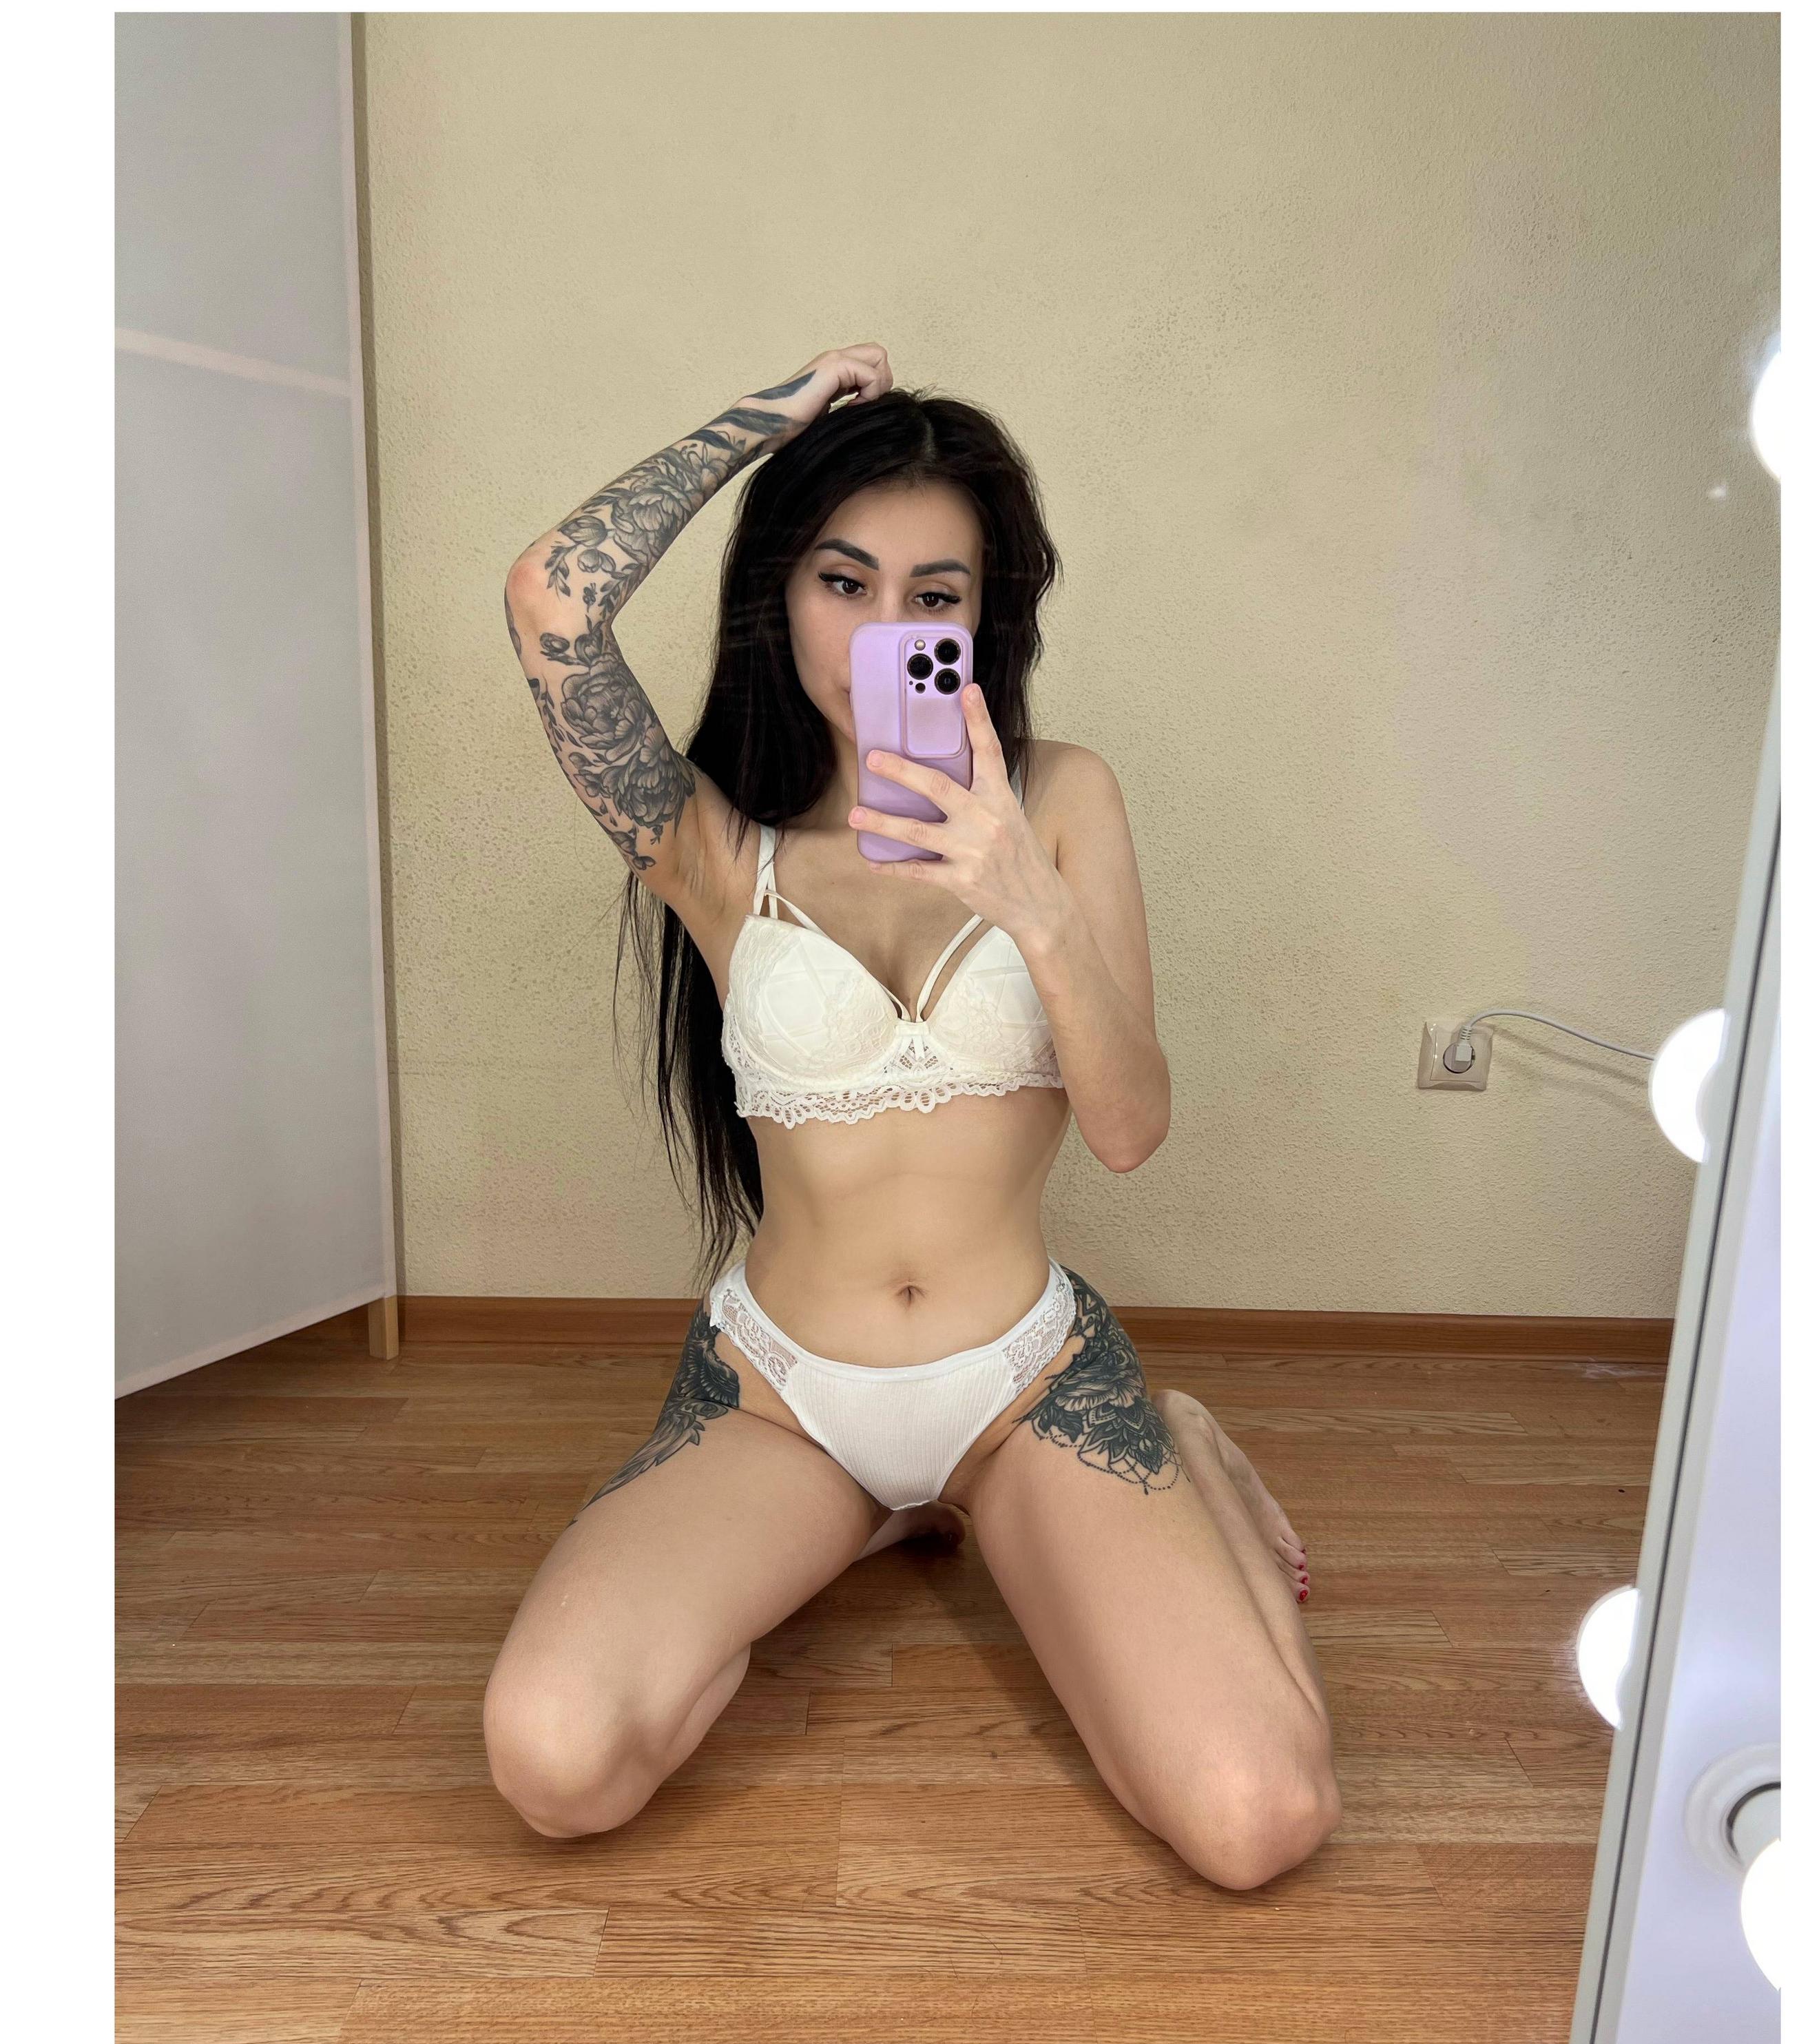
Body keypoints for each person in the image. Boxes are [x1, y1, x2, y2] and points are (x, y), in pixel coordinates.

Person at [484, 344, 1340, 1890]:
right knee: (556, 1764)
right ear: (782, 593)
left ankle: (1181, 1447)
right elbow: (552, 597)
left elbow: (1130, 1128)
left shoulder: (1063, 800)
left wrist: (1029, 903)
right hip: (779, 1395)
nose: (885, 630)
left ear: (981, 621)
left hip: (1028, 1382)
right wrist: (772, 418)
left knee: (1258, 1820)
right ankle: (869, 1517)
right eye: (843, 580)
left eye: (932, 595)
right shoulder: (711, 847)